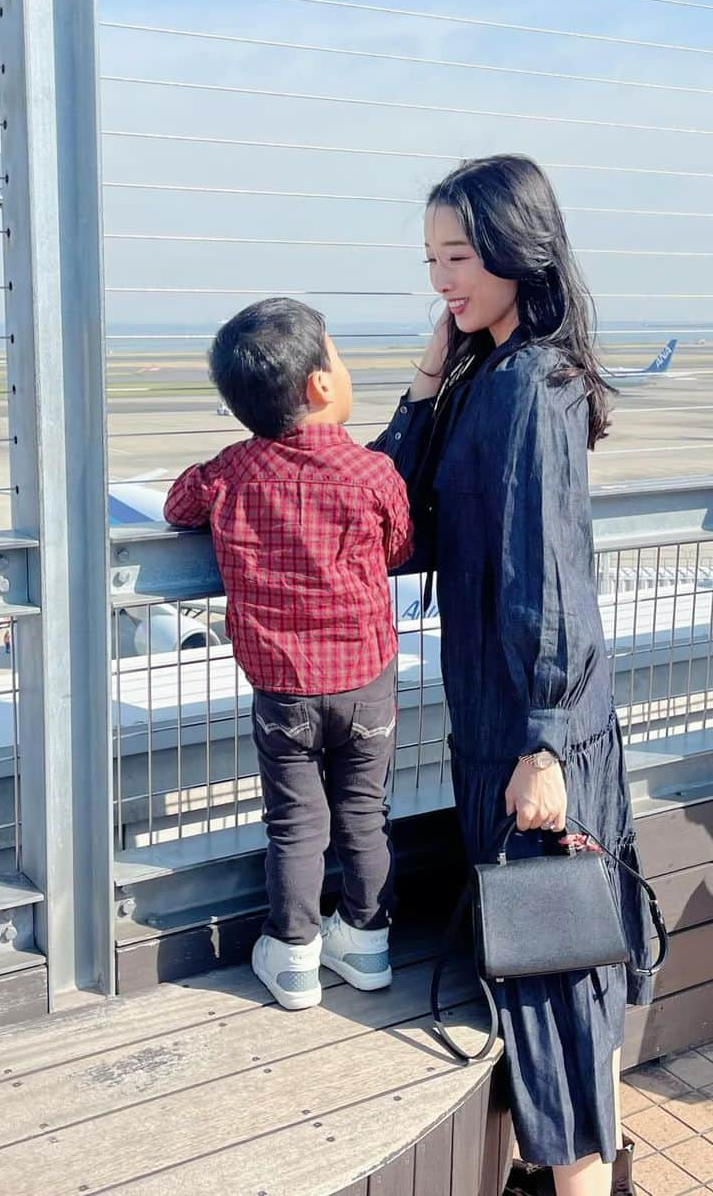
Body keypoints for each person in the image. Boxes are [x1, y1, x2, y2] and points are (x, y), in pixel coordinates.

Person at [372, 156, 650, 1196]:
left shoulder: (531, 384)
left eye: (460, 254)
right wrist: (419, 390)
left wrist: (541, 738)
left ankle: (576, 1179)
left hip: (536, 726)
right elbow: (392, 515)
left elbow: (554, 575)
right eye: (433, 257)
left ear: (517, 250)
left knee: (553, 981)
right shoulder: (487, 375)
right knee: (565, 960)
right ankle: (589, 1170)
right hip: (512, 716)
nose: (443, 277)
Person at [164, 298, 413, 1010]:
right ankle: (367, 944)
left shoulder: (233, 471)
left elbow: (179, 505)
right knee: (365, 815)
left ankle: (295, 952)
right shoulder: (371, 473)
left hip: (282, 692)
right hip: (366, 683)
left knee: (296, 824)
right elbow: (400, 546)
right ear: (320, 385)